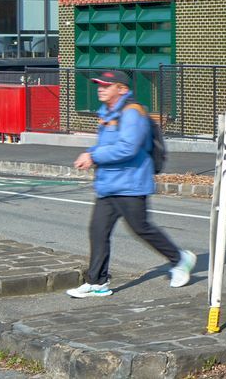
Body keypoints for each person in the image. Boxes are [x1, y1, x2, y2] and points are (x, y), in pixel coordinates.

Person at [67, 70, 197, 297]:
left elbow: (128, 147)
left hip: (131, 182)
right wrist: (90, 153)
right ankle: (97, 283)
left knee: (141, 228)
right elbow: (107, 143)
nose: (101, 88)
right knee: (98, 231)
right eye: (99, 84)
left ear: (122, 89)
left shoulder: (132, 113)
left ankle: (180, 258)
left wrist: (94, 157)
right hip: (109, 184)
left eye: (107, 85)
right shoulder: (107, 113)